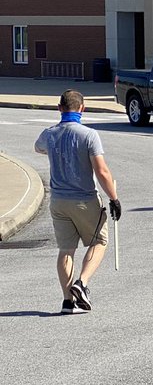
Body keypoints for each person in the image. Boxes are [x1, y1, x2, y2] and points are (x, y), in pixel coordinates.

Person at [34, 90, 122, 314]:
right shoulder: (89, 135)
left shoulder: (50, 134)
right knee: (99, 242)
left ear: (59, 108)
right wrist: (114, 198)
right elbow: (101, 171)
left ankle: (67, 302)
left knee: (66, 249)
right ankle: (81, 283)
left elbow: (38, 147)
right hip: (84, 199)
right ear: (82, 108)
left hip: (58, 201)